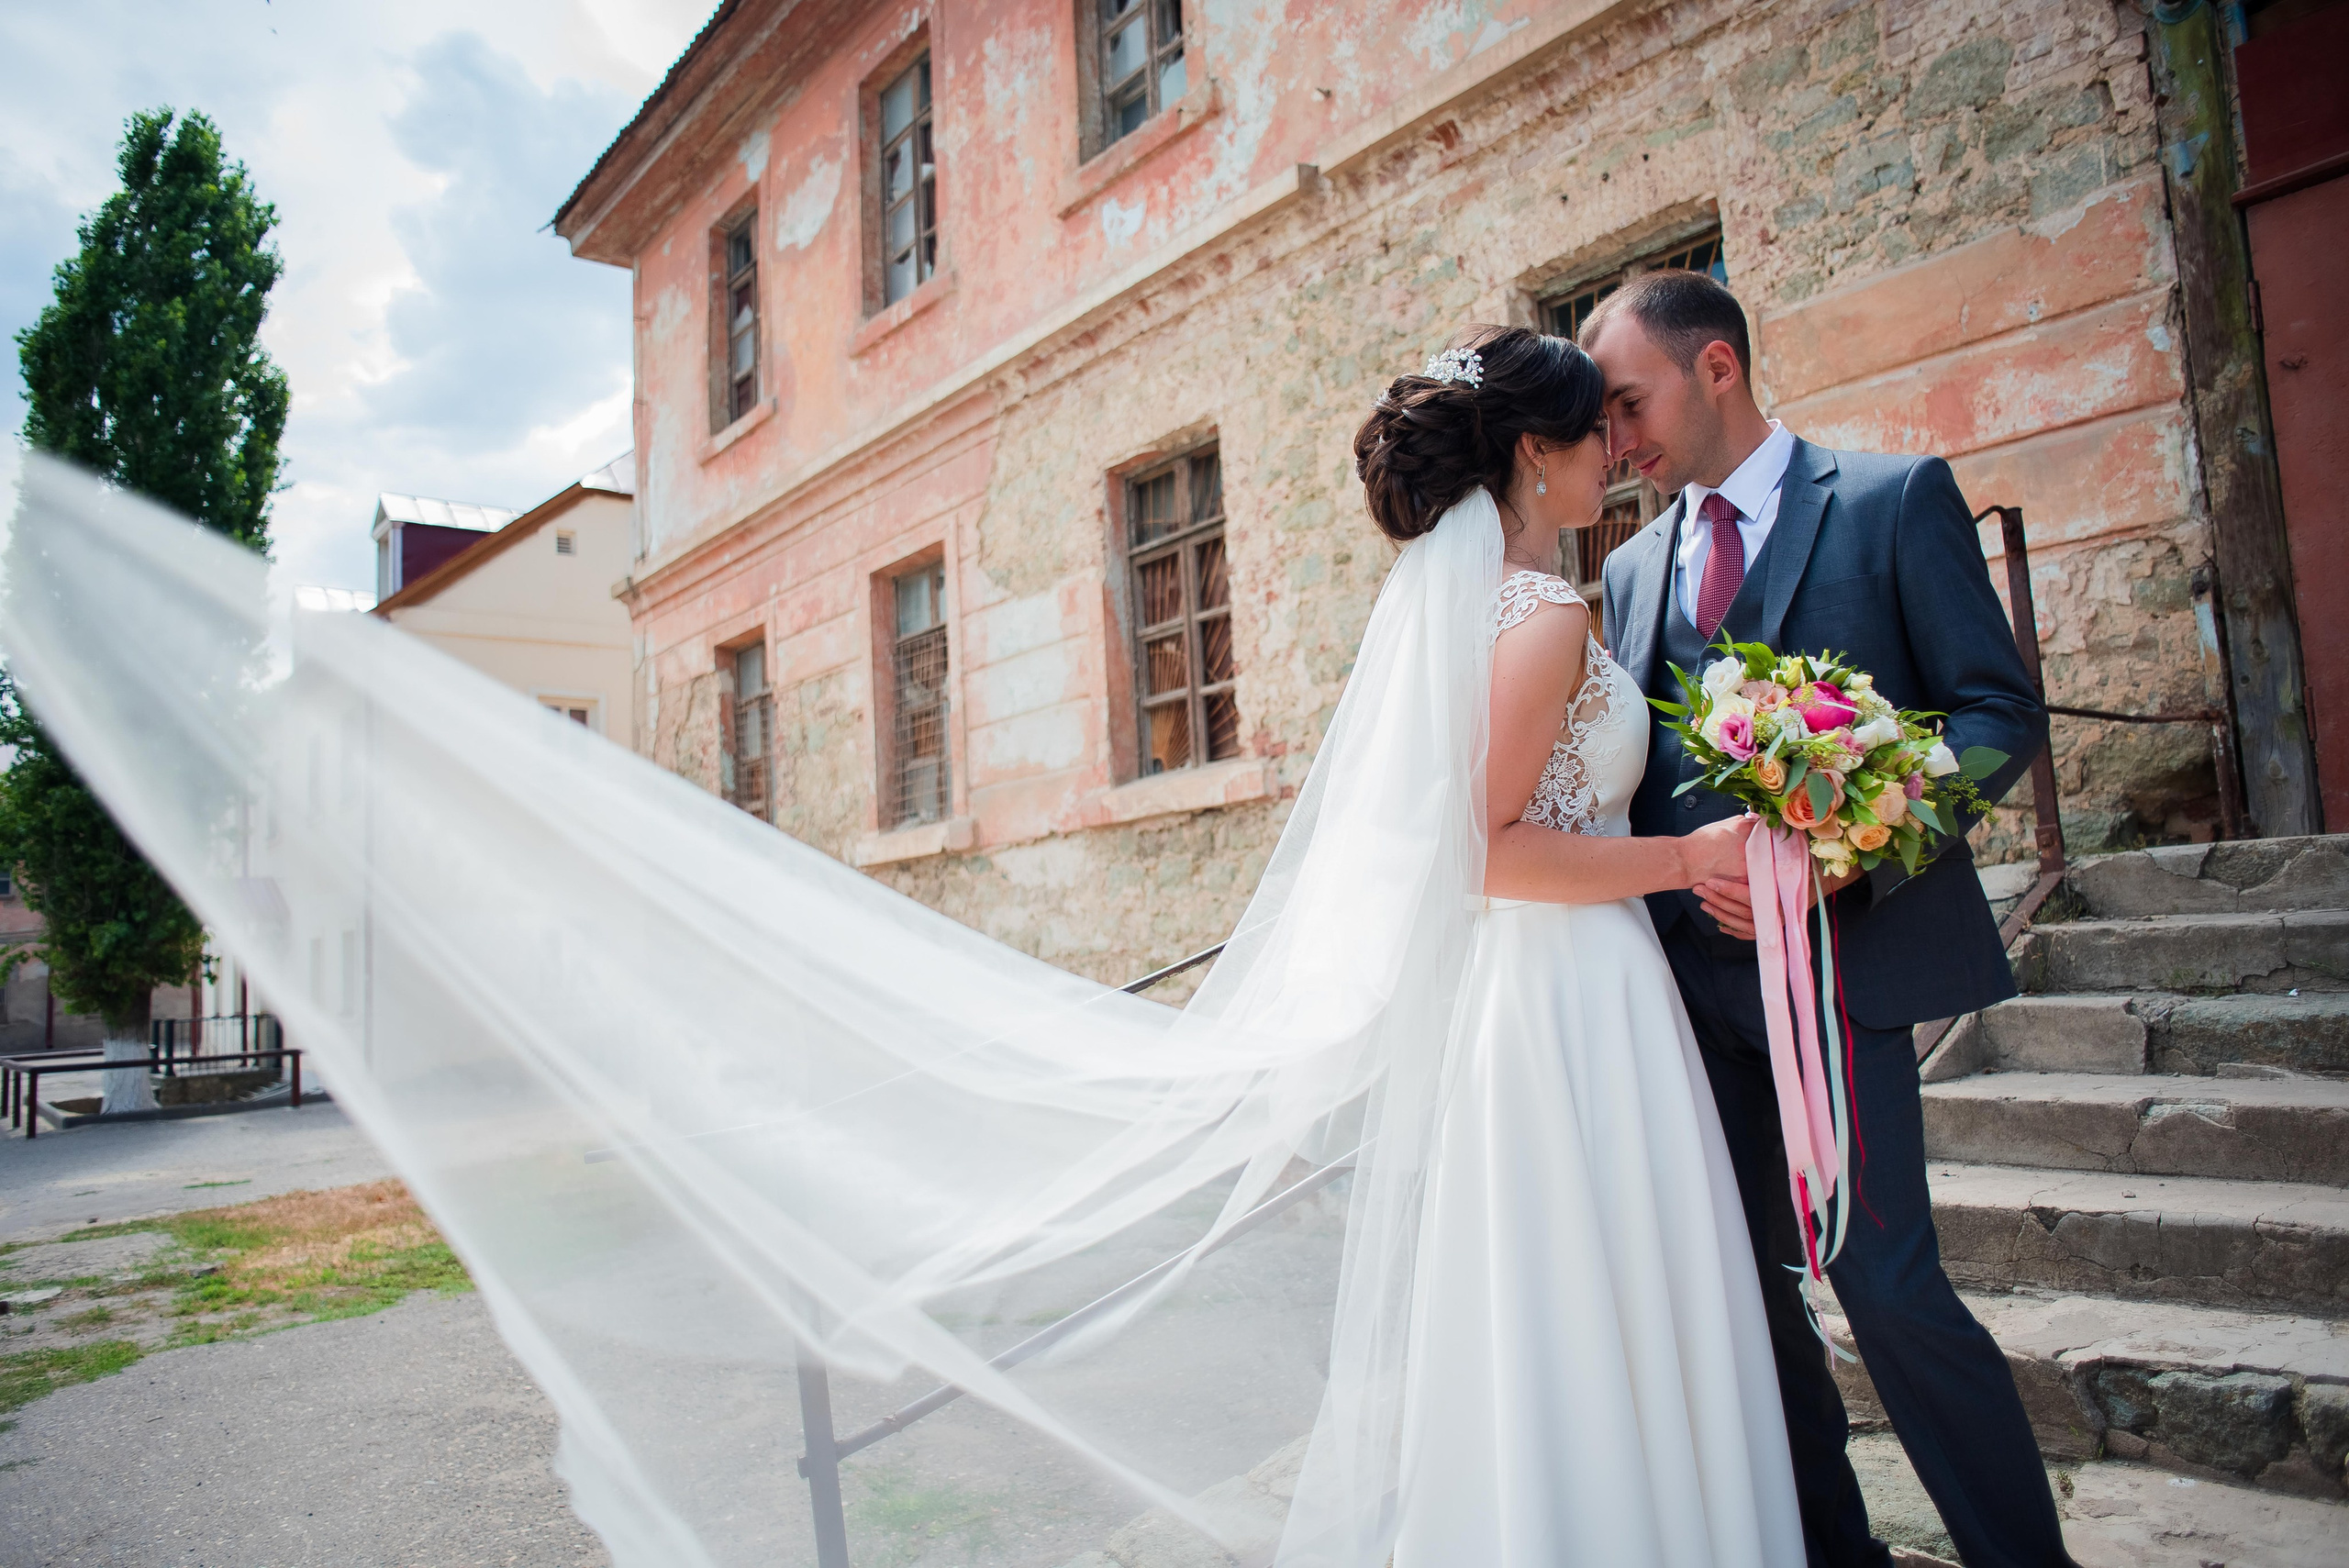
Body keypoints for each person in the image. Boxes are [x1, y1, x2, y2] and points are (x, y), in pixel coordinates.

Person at [1582, 271, 2072, 1568]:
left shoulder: (1891, 498)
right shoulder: (1631, 568)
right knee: (1747, 1303)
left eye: (1630, 402)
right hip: (1684, 998)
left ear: (1717, 369)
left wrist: (1864, 835)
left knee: (1888, 1286)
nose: (1615, 438)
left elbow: (1994, 712)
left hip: (1840, 981)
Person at [1350, 325, 1801, 1565]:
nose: (1619, 443)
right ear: (1539, 456)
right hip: (1573, 987)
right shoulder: (1540, 614)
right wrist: (1691, 856)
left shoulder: (1497, 606)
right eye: (1597, 425)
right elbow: (1487, 848)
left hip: (1548, 987)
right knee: (1615, 1297)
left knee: (1568, 1309)